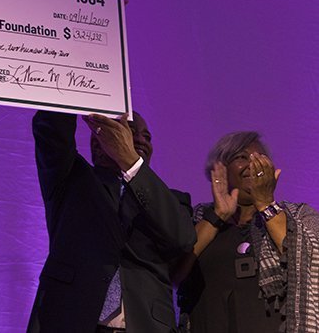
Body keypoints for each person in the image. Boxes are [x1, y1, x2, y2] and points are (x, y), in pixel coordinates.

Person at [27, 110, 196, 333]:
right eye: (131, 132)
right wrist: (71, 90)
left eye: (147, 137)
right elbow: (52, 130)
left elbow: (183, 238)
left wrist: (130, 162)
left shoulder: (173, 200)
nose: (140, 140)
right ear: (98, 143)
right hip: (69, 320)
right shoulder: (71, 180)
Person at [175, 131, 319, 333]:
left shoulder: (299, 215)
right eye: (241, 157)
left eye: (260, 157)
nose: (253, 163)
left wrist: (265, 204)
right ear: (220, 169)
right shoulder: (199, 217)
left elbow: (307, 259)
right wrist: (217, 215)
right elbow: (175, 271)